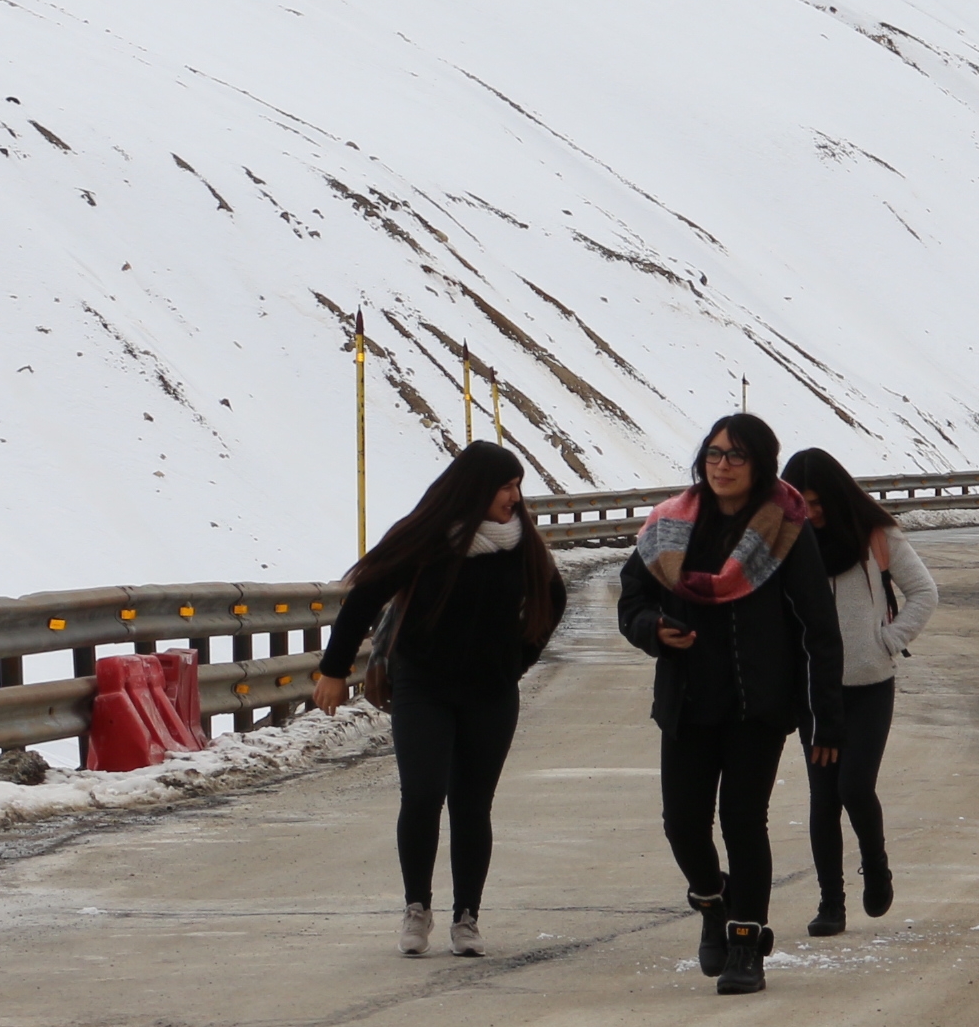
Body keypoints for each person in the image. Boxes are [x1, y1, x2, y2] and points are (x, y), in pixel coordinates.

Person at [619, 414, 847, 994]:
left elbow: (819, 629)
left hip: (759, 706)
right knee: (682, 826)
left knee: (744, 823)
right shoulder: (671, 523)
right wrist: (653, 629)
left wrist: (825, 719)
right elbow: (633, 599)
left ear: (760, 464)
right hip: (688, 702)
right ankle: (713, 902)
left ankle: (747, 944)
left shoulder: (785, 529)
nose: (721, 465)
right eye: (715, 453)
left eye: (736, 456)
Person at [315, 441, 565, 959]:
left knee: (473, 804)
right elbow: (363, 596)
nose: (515, 498)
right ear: (475, 489)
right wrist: (334, 670)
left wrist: (517, 660)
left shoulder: (521, 544)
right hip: (423, 686)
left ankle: (466, 917)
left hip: (490, 694)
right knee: (424, 793)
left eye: (518, 486)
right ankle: (416, 908)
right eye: (505, 486)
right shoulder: (426, 539)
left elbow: (553, 598)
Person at [786, 448, 938, 937]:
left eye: (817, 502)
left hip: (870, 686)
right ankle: (831, 903)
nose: (810, 513)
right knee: (823, 798)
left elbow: (924, 592)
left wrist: (887, 640)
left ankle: (876, 866)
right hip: (813, 689)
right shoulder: (784, 540)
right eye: (800, 503)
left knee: (854, 786)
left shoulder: (876, 535)